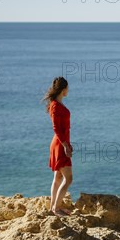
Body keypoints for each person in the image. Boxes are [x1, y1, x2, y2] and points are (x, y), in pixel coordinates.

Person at [42, 77, 73, 217]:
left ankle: (53, 208)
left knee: (58, 178)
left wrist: (68, 143)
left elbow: (63, 129)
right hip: (59, 144)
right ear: (63, 89)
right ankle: (57, 208)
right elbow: (56, 128)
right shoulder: (55, 106)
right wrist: (65, 145)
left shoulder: (58, 104)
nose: (68, 90)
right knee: (68, 178)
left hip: (61, 142)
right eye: (67, 88)